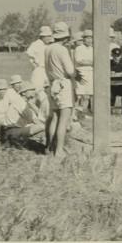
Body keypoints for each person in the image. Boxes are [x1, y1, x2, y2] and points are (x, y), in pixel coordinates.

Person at [44, 21, 77, 158]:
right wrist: (76, 73)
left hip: (52, 84)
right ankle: (59, 150)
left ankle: (49, 147)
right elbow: (70, 71)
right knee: (64, 119)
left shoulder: (48, 48)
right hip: (63, 84)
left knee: (54, 117)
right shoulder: (62, 50)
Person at [0, 81, 45, 146]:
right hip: (10, 131)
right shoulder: (21, 102)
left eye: (34, 89)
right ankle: (18, 140)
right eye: (31, 90)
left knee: (40, 125)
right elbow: (33, 119)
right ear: (23, 93)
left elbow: (35, 118)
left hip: (10, 129)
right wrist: (32, 105)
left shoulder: (22, 101)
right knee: (42, 126)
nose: (34, 91)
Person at [26, 26, 54, 92]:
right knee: (38, 89)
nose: (49, 38)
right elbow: (29, 53)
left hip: (48, 70)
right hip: (39, 69)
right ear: (43, 36)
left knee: (49, 89)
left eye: (50, 36)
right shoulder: (36, 44)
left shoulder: (48, 45)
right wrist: (34, 63)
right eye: (48, 36)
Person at [74, 29, 94, 115]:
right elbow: (79, 61)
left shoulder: (93, 49)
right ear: (84, 39)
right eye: (87, 38)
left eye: (91, 38)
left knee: (88, 94)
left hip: (90, 72)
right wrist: (91, 62)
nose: (89, 40)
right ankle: (75, 113)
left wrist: (88, 62)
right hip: (81, 73)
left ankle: (83, 113)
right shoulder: (79, 48)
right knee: (79, 95)